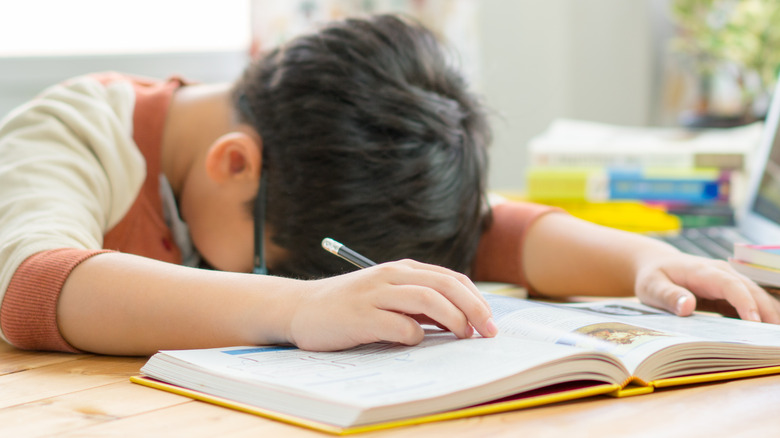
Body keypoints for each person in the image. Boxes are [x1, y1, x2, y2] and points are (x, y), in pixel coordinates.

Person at [0, 15, 777, 357]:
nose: (292, 282)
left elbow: (483, 231)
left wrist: (638, 262)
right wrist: (299, 306)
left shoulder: (283, 175)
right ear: (234, 164)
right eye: (285, 264)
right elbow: (33, 286)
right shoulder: (75, 130)